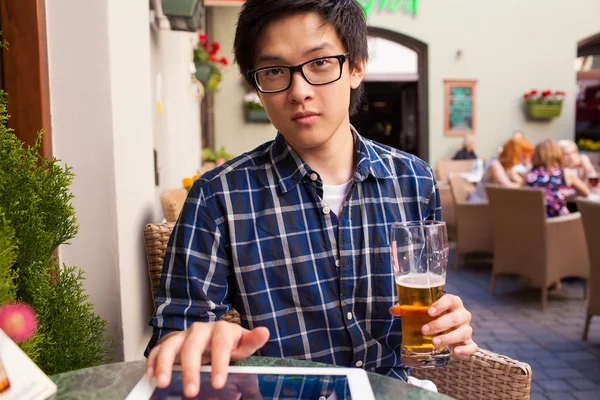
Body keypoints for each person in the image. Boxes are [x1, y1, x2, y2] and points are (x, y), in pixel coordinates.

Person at [145, 1, 476, 398]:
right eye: (274, 71)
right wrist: (198, 343)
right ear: (256, 84)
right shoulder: (218, 197)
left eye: (319, 63)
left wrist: (444, 327)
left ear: (356, 67)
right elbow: (173, 342)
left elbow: (421, 332)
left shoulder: (413, 180)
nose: (298, 91)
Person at [526, 140, 589, 217]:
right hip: (559, 221)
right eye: (566, 154)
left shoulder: (530, 172)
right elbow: (586, 192)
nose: (570, 156)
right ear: (558, 154)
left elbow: (519, 192)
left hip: (534, 219)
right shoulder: (564, 172)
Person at [468, 136, 533, 202]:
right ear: (513, 154)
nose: (522, 159)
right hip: (479, 204)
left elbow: (521, 182)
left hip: (492, 204)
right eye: (522, 156)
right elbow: (508, 187)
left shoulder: (508, 167)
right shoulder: (495, 165)